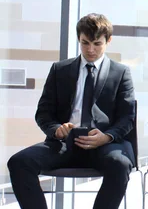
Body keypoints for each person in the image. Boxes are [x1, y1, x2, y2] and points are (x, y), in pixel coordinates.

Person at [7, 13, 135, 209]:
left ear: (108, 41)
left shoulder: (121, 72)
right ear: (78, 39)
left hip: (102, 144)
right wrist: (56, 128)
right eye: (85, 43)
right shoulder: (60, 70)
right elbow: (43, 112)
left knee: (120, 164)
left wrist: (107, 136)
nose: (90, 49)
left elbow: (127, 117)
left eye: (97, 43)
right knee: (18, 162)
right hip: (64, 143)